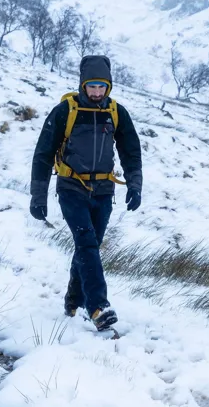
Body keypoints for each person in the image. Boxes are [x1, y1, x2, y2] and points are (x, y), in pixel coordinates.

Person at [30, 55, 142, 331]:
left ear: (108, 86)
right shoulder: (65, 111)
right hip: (71, 188)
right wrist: (38, 196)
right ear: (83, 85)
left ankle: (73, 300)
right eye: (91, 86)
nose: (96, 92)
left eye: (101, 86)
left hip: (103, 190)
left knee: (88, 246)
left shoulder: (116, 112)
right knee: (87, 242)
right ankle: (97, 306)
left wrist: (135, 184)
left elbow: (131, 151)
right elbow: (43, 154)